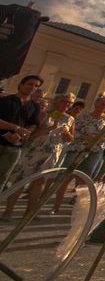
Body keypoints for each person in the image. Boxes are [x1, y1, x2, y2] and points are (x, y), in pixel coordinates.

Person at [2, 92, 74, 221]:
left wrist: (67, 133)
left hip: (52, 153)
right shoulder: (44, 114)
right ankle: (8, 212)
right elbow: (32, 134)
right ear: (56, 101)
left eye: (69, 103)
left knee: (39, 181)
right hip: (35, 151)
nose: (66, 105)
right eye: (64, 101)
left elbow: (70, 139)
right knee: (21, 180)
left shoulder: (70, 119)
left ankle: (29, 213)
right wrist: (51, 128)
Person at [52, 92, 105, 215]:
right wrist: (85, 137)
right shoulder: (83, 116)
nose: (104, 106)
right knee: (66, 176)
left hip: (95, 151)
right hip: (78, 149)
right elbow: (74, 131)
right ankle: (56, 207)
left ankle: (76, 209)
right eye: (103, 103)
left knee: (83, 180)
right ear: (96, 103)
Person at [0, 75, 42, 196]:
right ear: (21, 85)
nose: (32, 87)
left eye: (36, 86)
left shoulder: (34, 106)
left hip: (14, 147)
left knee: (2, 178)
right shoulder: (5, 101)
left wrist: (23, 133)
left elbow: (33, 125)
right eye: (30, 84)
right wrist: (16, 128)